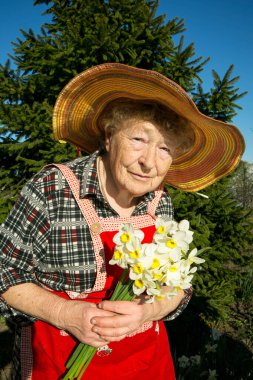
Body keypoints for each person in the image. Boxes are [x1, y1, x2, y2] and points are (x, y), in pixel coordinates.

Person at [0, 63, 245, 380]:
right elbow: (4, 269)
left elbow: (177, 285)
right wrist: (65, 313)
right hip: (62, 363)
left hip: (145, 364)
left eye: (164, 148)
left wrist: (148, 311)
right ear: (109, 136)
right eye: (139, 139)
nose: (148, 162)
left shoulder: (159, 201)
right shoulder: (54, 188)